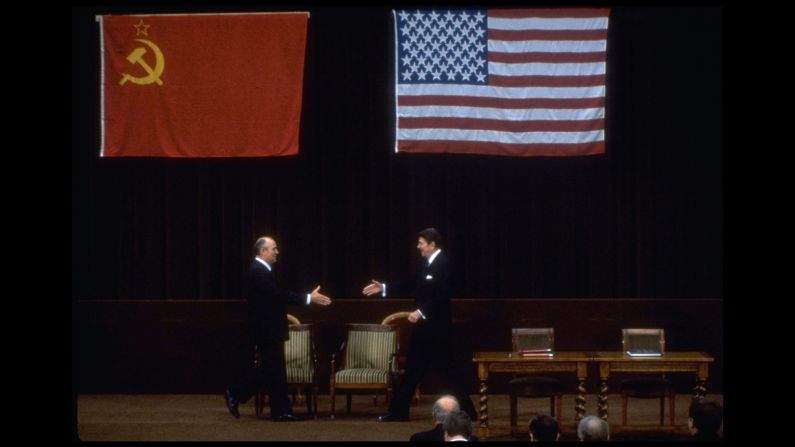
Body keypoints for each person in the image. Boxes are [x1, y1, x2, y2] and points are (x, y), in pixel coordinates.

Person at [363, 228, 477, 422]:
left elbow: (442, 296)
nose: (418, 246)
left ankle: (468, 411)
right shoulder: (427, 264)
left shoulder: (444, 264)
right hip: (425, 331)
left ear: (432, 245)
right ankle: (398, 411)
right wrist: (384, 287)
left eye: (421, 243)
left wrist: (421, 311)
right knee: (414, 371)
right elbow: (411, 282)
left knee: (446, 373)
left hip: (437, 332)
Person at [224, 236, 331, 421]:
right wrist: (308, 298)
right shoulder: (257, 272)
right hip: (266, 331)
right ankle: (236, 392)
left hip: (270, 330)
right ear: (262, 251)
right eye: (274, 248)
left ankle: (280, 411)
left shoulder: (262, 271)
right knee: (272, 370)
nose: (277, 252)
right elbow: (278, 295)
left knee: (275, 371)